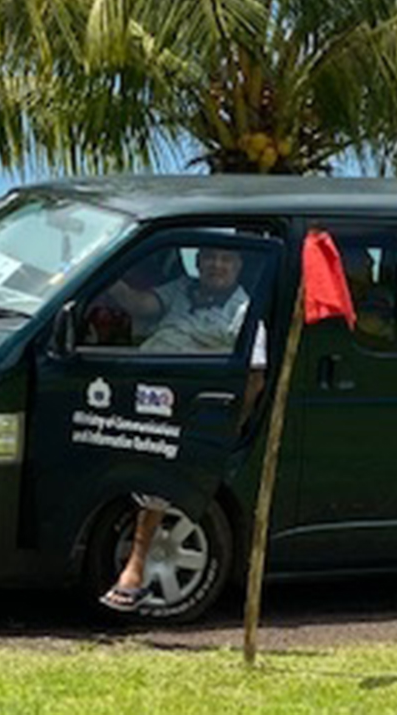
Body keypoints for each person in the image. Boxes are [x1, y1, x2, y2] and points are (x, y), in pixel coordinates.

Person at [97, 246, 266, 612]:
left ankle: (135, 571)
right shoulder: (181, 289)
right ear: (198, 261)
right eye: (209, 258)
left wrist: (230, 430)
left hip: (189, 411)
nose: (216, 265)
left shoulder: (245, 313)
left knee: (160, 480)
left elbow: (254, 378)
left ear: (239, 265)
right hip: (141, 391)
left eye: (225, 259)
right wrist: (105, 274)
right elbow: (142, 306)